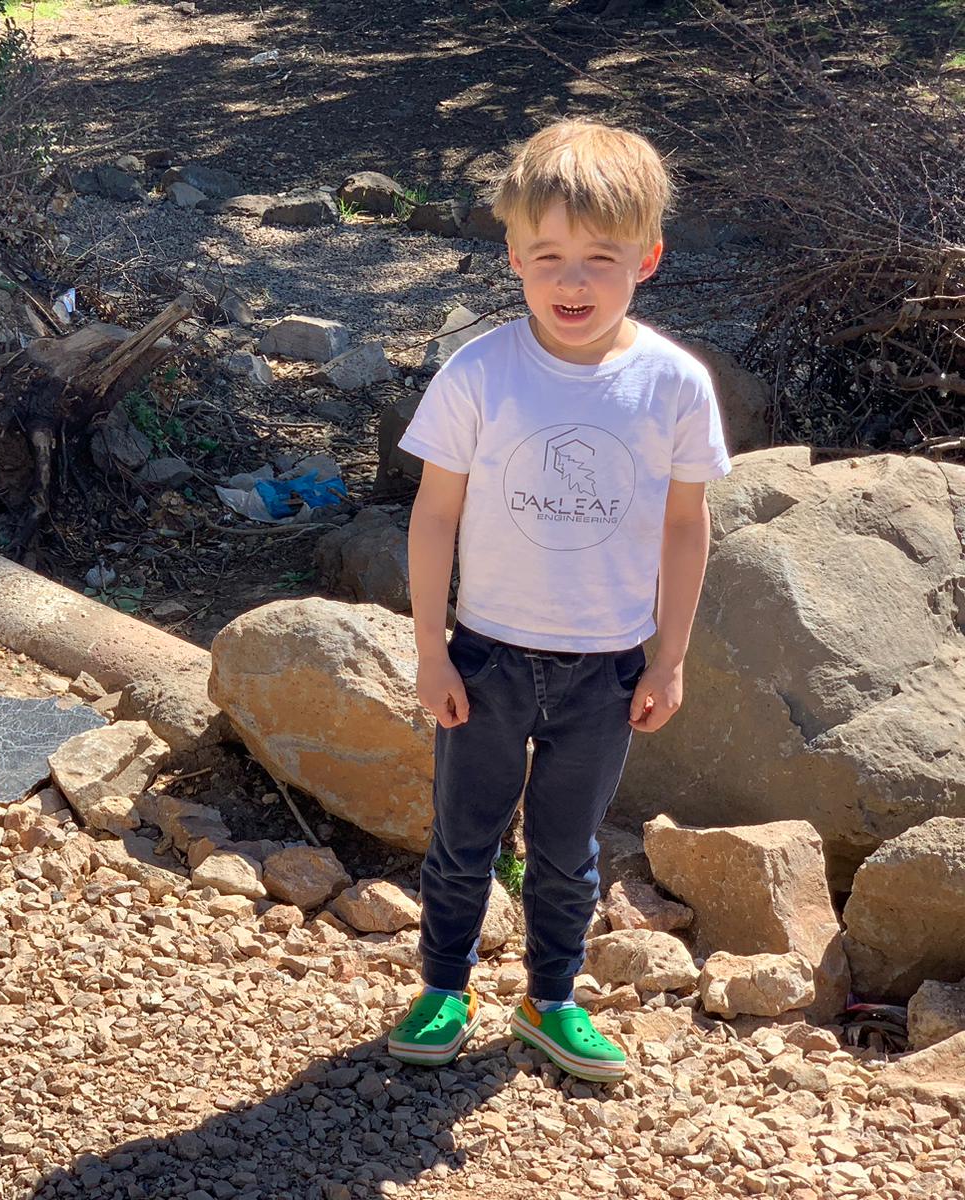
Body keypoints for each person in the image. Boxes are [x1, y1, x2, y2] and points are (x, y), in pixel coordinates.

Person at [386, 118, 731, 1083]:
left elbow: (685, 526)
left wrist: (669, 659)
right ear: (513, 256)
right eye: (547, 257)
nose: (571, 282)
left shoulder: (673, 384)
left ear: (648, 258)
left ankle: (551, 999)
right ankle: (444, 986)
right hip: (487, 656)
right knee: (463, 837)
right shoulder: (480, 372)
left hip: (607, 669)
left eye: (600, 259)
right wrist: (430, 649)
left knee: (568, 851)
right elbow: (434, 515)